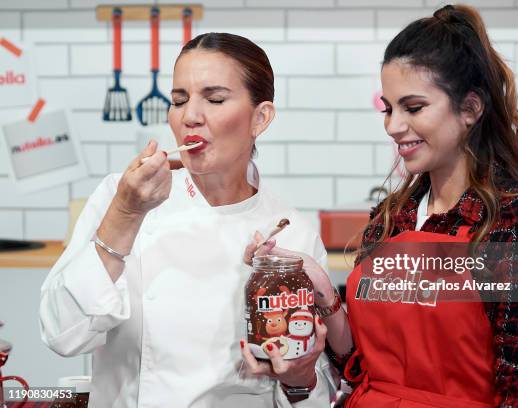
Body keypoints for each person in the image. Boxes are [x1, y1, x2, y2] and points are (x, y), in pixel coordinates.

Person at [247, 4, 518, 407]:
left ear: (471, 108)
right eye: (388, 108)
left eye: (413, 107)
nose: (393, 125)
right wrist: (321, 290)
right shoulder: (391, 217)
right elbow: (359, 363)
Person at [39, 32, 338, 407]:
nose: (190, 116)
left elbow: (315, 390)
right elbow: (62, 335)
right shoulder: (123, 196)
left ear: (260, 118)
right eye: (179, 100)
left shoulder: (290, 230)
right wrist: (126, 215)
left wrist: (299, 380)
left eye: (214, 99)